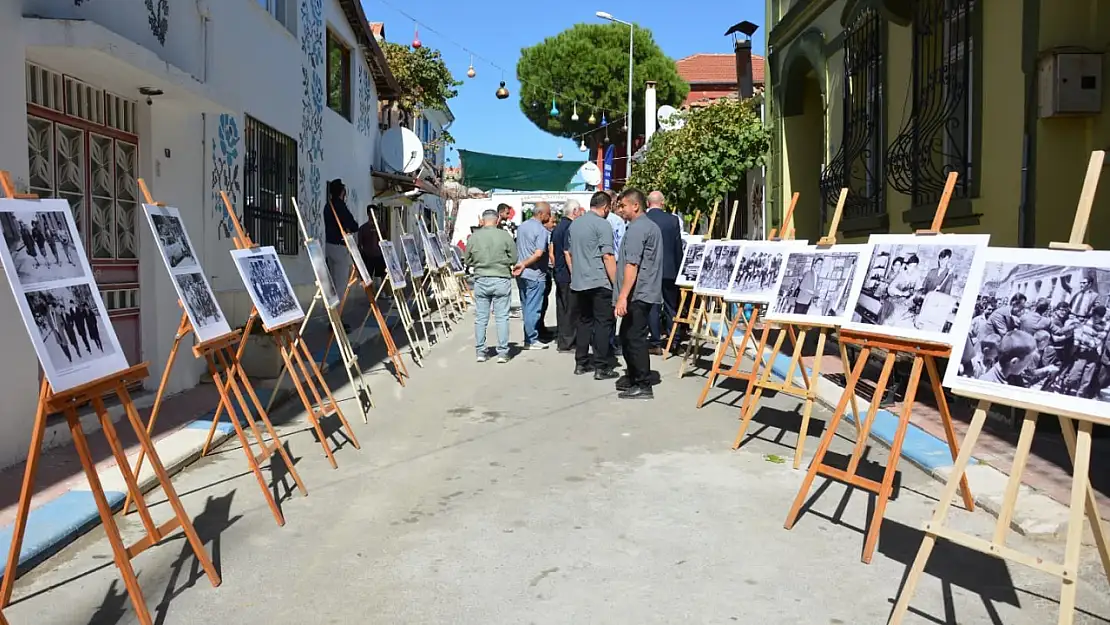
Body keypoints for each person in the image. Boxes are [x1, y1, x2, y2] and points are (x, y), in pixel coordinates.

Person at [612, 188, 663, 400]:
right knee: (627, 335)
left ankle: (643, 384)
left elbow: (632, 265)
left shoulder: (638, 229)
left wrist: (623, 296)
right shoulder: (644, 226)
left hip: (638, 293)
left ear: (635, 205)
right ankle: (634, 376)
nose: (620, 210)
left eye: (623, 205)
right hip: (644, 291)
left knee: (635, 338)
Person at [568, 191, 619, 379]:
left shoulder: (575, 224)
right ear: (606, 207)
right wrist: (617, 284)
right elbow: (607, 256)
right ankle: (601, 366)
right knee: (603, 324)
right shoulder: (603, 224)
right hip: (599, 282)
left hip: (580, 282)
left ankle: (581, 363)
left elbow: (571, 253)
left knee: (584, 322)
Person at [464, 209, 516, 363]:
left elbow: (467, 260)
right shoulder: (505, 236)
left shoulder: (474, 237)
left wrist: (478, 263)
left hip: (481, 278)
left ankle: (481, 351)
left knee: (481, 317)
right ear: (498, 219)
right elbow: (514, 257)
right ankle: (502, 352)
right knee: (501, 317)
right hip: (501, 277)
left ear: (482, 220)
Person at [644, 191, 683, 355]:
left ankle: (655, 341)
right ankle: (674, 340)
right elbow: (677, 248)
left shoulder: (643, 221)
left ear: (647, 203)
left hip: (650, 270)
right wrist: (680, 269)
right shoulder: (672, 220)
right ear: (663, 203)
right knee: (670, 306)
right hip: (670, 270)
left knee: (653, 306)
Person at [513, 202, 552, 349]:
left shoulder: (522, 226)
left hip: (521, 273)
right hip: (534, 273)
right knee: (533, 308)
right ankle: (531, 339)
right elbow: (538, 253)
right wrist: (525, 263)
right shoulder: (541, 230)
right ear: (541, 214)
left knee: (526, 306)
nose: (549, 217)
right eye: (548, 213)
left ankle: (528, 337)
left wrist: (521, 264)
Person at [324, 179, 358, 331]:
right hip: (339, 247)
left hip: (329, 246)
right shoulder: (340, 206)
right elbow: (352, 224)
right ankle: (336, 320)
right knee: (341, 286)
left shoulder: (327, 206)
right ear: (342, 192)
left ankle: (332, 317)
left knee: (332, 285)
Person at [552, 201, 583, 351]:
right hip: (567, 273)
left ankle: (563, 339)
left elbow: (551, 250)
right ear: (575, 211)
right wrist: (574, 272)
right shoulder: (571, 227)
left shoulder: (558, 227)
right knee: (571, 309)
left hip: (559, 272)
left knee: (562, 308)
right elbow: (568, 251)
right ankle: (568, 342)